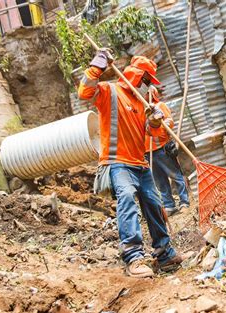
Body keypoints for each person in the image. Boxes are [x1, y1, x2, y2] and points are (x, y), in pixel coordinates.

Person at [78, 49, 182, 278]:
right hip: (118, 162)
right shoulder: (109, 91)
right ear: (138, 76)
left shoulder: (143, 103)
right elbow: (84, 91)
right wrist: (98, 65)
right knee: (127, 200)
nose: (149, 85)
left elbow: (151, 133)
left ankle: (164, 255)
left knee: (155, 205)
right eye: (147, 80)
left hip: (140, 163)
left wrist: (154, 122)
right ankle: (134, 258)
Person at [144, 87, 190, 216]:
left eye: (146, 92)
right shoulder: (139, 111)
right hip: (148, 152)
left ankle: (184, 202)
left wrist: (159, 122)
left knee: (176, 175)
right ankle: (169, 206)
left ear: (151, 93)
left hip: (162, 148)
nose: (144, 95)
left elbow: (170, 122)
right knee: (160, 181)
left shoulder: (159, 106)